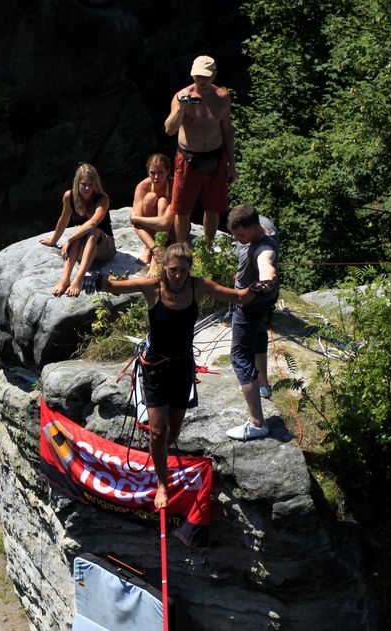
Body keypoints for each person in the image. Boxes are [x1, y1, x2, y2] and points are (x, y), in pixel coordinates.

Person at [85, 242, 261, 508]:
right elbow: (114, 287)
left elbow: (238, 297)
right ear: (165, 267)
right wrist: (98, 282)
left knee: (173, 430)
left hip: (182, 366)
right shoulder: (152, 286)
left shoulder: (197, 286)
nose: (177, 275)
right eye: (172, 270)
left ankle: (159, 457)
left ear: (189, 269)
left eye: (181, 270)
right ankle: (162, 484)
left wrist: (258, 288)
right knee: (157, 430)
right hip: (155, 366)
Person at [164, 55, 235, 245]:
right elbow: (169, 130)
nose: (201, 81)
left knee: (213, 208)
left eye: (205, 77)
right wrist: (181, 108)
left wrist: (232, 164)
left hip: (215, 156)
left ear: (214, 75)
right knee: (182, 208)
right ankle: (181, 247)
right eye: (197, 76)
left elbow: (227, 129)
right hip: (188, 158)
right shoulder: (182, 96)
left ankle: (208, 247)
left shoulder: (222, 97)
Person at [225, 204, 279, 441]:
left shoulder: (264, 248)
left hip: (250, 306)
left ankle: (257, 422)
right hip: (264, 304)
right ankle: (263, 386)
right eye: (235, 235)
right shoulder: (265, 224)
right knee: (258, 339)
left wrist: (265, 280)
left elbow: (266, 264)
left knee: (239, 357)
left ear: (255, 228)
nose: (237, 239)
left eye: (241, 236)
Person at [40, 163, 116, 297]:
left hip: (105, 249)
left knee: (91, 231)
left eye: (91, 184)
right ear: (77, 183)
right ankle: (65, 279)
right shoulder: (69, 196)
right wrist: (54, 241)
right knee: (80, 229)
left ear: (95, 184)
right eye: (83, 184)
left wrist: (69, 239)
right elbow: (63, 219)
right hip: (83, 249)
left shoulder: (102, 199)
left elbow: (93, 223)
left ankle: (78, 279)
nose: (87, 188)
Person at [130, 153, 174, 266]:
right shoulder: (143, 186)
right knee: (150, 197)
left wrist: (135, 218)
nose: (156, 177)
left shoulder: (174, 186)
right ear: (148, 172)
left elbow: (164, 224)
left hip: (172, 230)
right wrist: (154, 248)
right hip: (153, 231)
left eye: (160, 173)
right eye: (152, 173)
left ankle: (156, 260)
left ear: (168, 171)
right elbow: (138, 226)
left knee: (163, 201)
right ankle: (150, 248)